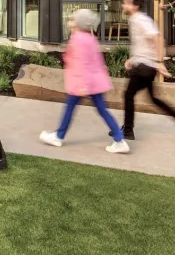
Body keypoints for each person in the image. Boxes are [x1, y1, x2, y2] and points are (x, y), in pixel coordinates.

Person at [40, 9, 130, 154]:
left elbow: (82, 64)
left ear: (79, 23)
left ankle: (58, 136)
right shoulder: (89, 38)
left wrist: (82, 85)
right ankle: (119, 140)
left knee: (70, 108)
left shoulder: (78, 39)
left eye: (73, 19)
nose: (70, 21)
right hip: (95, 82)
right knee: (102, 110)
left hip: (82, 83)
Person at [120, 0, 175, 143]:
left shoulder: (141, 19)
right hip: (144, 64)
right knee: (153, 99)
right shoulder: (136, 19)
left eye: (127, 3)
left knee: (128, 95)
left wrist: (160, 62)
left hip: (145, 67)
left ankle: (128, 130)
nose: (124, 5)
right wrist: (133, 59)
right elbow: (145, 43)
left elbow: (158, 39)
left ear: (135, 6)